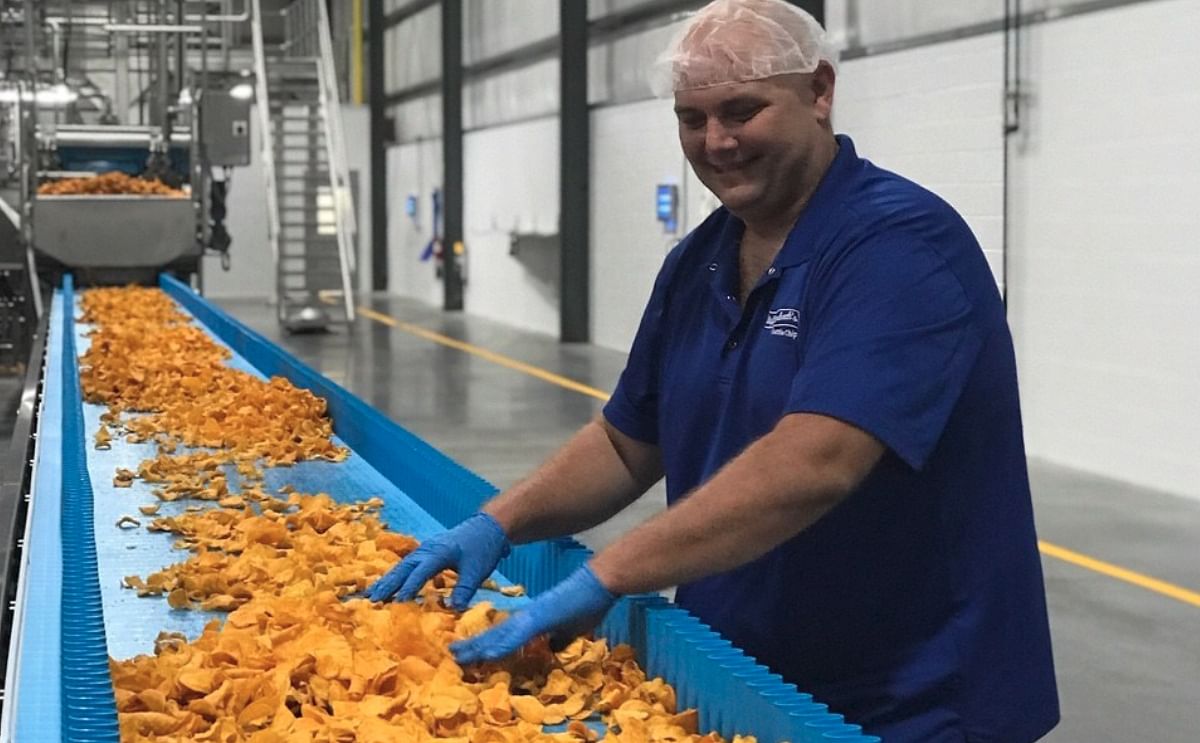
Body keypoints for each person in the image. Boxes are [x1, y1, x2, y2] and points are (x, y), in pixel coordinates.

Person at [369, 1, 1060, 740]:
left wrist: (610, 572)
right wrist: (496, 522)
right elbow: (626, 442)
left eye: (741, 110)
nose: (717, 142)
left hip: (906, 704)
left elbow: (816, 460)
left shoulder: (898, 247)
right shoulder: (698, 261)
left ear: (820, 92)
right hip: (742, 680)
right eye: (691, 119)